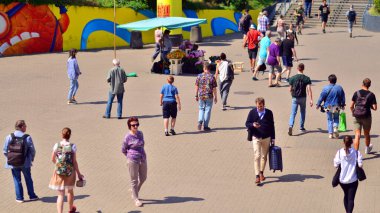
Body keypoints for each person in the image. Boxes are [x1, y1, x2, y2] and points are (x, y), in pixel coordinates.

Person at [49, 127, 84, 213]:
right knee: (70, 191)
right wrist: (79, 174)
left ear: (62, 135)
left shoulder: (57, 145)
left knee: (60, 194)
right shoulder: (72, 146)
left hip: (59, 172)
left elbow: (52, 159)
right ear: (70, 135)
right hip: (70, 172)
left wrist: (58, 165)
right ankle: (71, 210)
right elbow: (74, 161)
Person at [3, 120, 39, 203]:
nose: (26, 127)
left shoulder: (9, 137)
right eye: (25, 126)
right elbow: (32, 150)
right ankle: (32, 196)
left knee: (16, 179)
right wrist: (31, 159)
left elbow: (5, 150)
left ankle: (19, 198)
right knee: (28, 178)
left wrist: (10, 158)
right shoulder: (27, 137)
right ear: (21, 127)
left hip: (13, 163)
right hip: (25, 163)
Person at [245, 97, 275, 185]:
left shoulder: (269, 113)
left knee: (264, 156)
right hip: (256, 137)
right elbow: (247, 123)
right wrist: (253, 124)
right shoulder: (252, 112)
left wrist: (273, 138)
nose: (259, 108)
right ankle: (257, 176)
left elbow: (272, 126)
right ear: (256, 105)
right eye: (258, 106)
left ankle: (261, 172)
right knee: (257, 155)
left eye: (261, 106)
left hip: (266, 137)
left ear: (264, 105)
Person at [122, 117, 147, 207]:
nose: (136, 126)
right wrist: (130, 156)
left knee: (143, 177)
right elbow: (123, 149)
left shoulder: (140, 133)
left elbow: (143, 144)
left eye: (137, 124)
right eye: (133, 125)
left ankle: (134, 191)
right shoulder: (127, 137)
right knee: (134, 180)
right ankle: (136, 199)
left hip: (142, 158)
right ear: (129, 126)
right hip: (132, 160)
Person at [334, 135, 363, 213]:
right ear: (352, 143)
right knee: (351, 199)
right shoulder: (357, 153)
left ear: (343, 142)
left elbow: (335, 165)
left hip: (342, 180)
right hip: (353, 180)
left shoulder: (339, 152)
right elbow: (360, 165)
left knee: (346, 195)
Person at [350, 78, 377, 153]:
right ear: (369, 85)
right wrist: (369, 105)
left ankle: (356, 154)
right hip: (367, 116)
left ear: (362, 84)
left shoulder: (356, 93)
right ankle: (367, 148)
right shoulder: (371, 95)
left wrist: (353, 112)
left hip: (357, 116)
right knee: (367, 133)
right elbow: (375, 108)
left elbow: (351, 106)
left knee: (357, 135)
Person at [316, 74, 346, 139]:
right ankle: (335, 127)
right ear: (336, 80)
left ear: (329, 80)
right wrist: (343, 104)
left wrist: (318, 104)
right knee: (336, 118)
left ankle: (330, 134)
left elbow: (322, 96)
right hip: (337, 106)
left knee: (329, 119)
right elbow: (343, 97)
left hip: (328, 106)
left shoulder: (326, 88)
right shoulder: (339, 88)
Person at [288, 63, 313, 135]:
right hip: (303, 97)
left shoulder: (292, 78)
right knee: (302, 112)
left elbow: (290, 89)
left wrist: (292, 95)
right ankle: (301, 127)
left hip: (295, 97)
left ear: (297, 68)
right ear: (303, 69)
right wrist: (311, 99)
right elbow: (309, 90)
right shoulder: (306, 78)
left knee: (293, 113)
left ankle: (290, 125)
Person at [195, 62, 217, 131]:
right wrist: (216, 97)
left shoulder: (199, 76)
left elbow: (196, 86)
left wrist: (196, 95)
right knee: (207, 110)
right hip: (209, 96)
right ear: (209, 69)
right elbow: (214, 88)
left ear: (204, 68)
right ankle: (206, 126)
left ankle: (200, 121)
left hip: (201, 95)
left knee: (201, 108)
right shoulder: (212, 77)